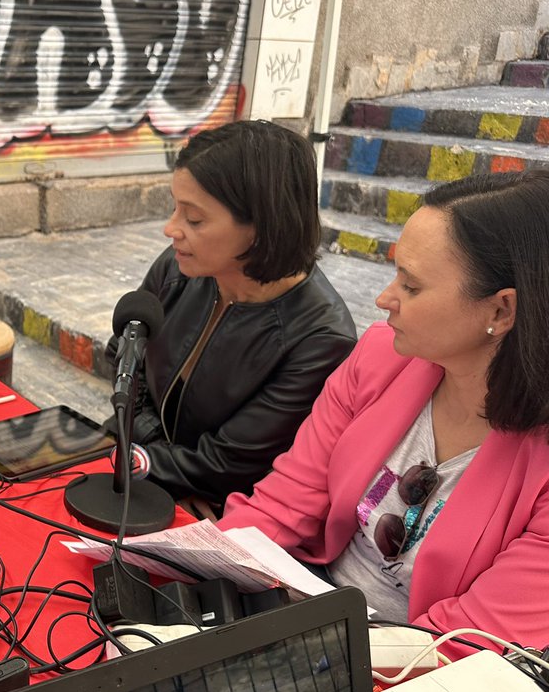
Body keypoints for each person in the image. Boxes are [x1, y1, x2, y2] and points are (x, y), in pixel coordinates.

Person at [222, 171, 549, 654]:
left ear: (501, 312)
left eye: (412, 286)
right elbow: (284, 504)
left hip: (413, 672)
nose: (384, 299)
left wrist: (312, 658)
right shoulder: (380, 360)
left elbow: (467, 640)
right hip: (307, 604)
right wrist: (192, 564)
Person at [107, 120, 356, 514]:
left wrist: (140, 451)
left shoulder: (320, 339)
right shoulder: (178, 269)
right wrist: (147, 445)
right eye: (175, 209)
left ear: (261, 225)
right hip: (143, 467)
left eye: (194, 218)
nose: (170, 229)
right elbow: (124, 357)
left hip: (220, 510)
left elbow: (226, 464)